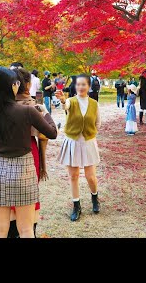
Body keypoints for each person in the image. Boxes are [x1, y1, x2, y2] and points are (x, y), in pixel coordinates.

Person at [0, 67, 57, 238]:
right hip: (24, 173)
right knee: (26, 230)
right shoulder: (28, 111)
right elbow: (52, 133)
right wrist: (46, 113)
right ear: (14, 85)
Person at [8, 67, 50, 238]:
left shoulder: (0, 105)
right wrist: (45, 112)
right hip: (28, 151)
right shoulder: (32, 106)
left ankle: (14, 233)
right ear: (27, 84)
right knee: (29, 196)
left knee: (9, 196)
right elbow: (48, 133)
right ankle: (28, 232)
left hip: (5, 155)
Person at [55, 74, 101, 221]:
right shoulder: (70, 101)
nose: (81, 87)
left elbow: (98, 123)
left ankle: (95, 197)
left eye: (84, 85)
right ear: (75, 86)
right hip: (72, 141)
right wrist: (62, 100)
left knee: (90, 177)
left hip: (88, 141)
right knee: (73, 176)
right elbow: (65, 105)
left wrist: (91, 134)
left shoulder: (94, 104)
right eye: (78, 84)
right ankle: (76, 206)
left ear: (89, 86)